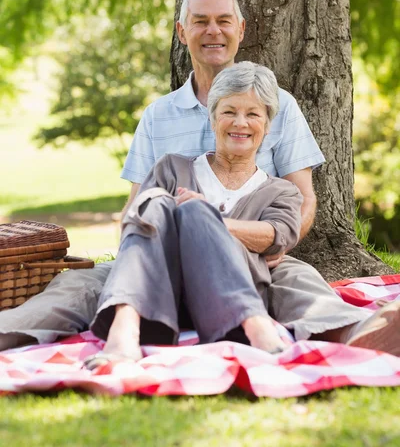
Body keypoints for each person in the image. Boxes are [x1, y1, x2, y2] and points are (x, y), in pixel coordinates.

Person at [1, 0, 393, 354]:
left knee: (298, 280)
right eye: (200, 21)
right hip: (160, 250)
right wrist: (141, 255)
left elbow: (302, 197)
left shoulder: (278, 104)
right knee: (80, 285)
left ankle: (357, 332)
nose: (213, 32)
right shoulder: (158, 116)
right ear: (182, 31)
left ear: (240, 29)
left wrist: (277, 243)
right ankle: (9, 333)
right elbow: (136, 206)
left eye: (223, 21)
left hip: (251, 251)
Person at [85, 63, 399, 368]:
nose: (240, 123)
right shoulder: (172, 167)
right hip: (165, 290)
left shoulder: (281, 191)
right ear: (212, 119)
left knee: (297, 276)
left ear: (267, 126)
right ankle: (120, 331)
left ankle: (354, 331)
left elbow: (280, 235)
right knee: (151, 203)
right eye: (229, 112)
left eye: (252, 114)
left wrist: (210, 219)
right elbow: (138, 223)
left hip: (233, 290)